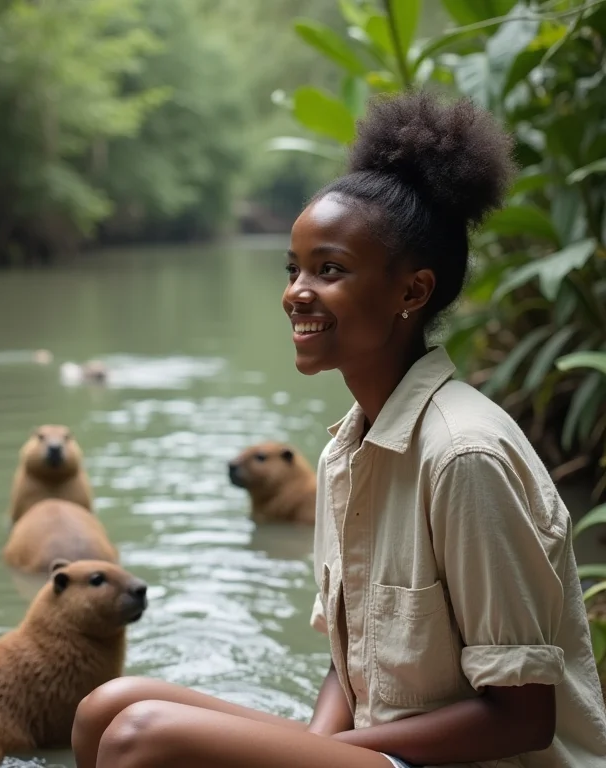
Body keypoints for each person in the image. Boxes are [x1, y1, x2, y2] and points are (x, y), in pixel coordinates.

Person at [70, 91, 606, 768]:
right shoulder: (345, 452)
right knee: (105, 708)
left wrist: (324, 756)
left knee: (140, 735)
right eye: (293, 269)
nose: (296, 291)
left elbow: (524, 719)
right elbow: (349, 668)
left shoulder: (464, 455)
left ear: (412, 293)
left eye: (330, 270)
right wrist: (315, 752)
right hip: (378, 751)